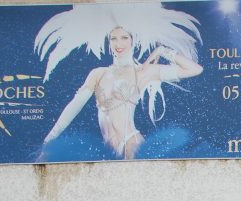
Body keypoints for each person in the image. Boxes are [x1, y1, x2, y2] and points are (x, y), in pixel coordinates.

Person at [37, 4, 203, 160]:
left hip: (131, 143)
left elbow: (195, 69)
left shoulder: (142, 72)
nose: (119, 44)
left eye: (124, 37)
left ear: (133, 40)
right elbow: (74, 106)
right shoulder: (98, 73)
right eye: (113, 38)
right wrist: (48, 140)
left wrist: (162, 51)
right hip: (109, 149)